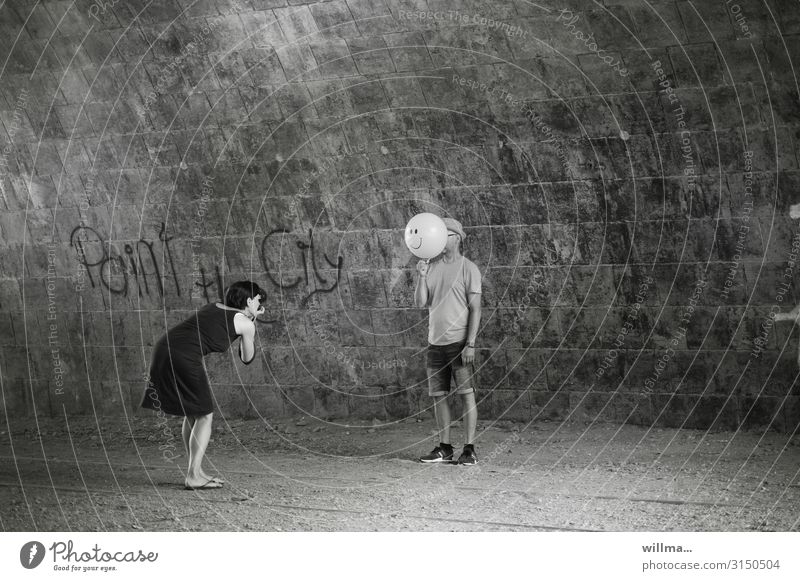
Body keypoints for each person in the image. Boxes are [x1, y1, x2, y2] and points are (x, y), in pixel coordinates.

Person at [141, 281, 266, 490]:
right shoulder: (245, 323)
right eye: (259, 300)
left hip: (165, 348)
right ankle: (192, 475)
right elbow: (247, 357)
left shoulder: (214, 307)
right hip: (184, 355)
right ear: (249, 300)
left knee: (193, 412)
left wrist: (250, 319)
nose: (260, 304)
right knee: (205, 415)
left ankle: (196, 472)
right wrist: (252, 324)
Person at [414, 218, 482, 465]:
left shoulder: (469, 268)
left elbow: (476, 309)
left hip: (459, 344)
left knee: (466, 394)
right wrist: (421, 276)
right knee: (439, 396)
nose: (440, 239)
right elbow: (421, 303)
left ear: (457, 238)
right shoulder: (430, 268)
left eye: (446, 234)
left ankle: (469, 449)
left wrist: (470, 343)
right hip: (435, 344)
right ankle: (444, 447)